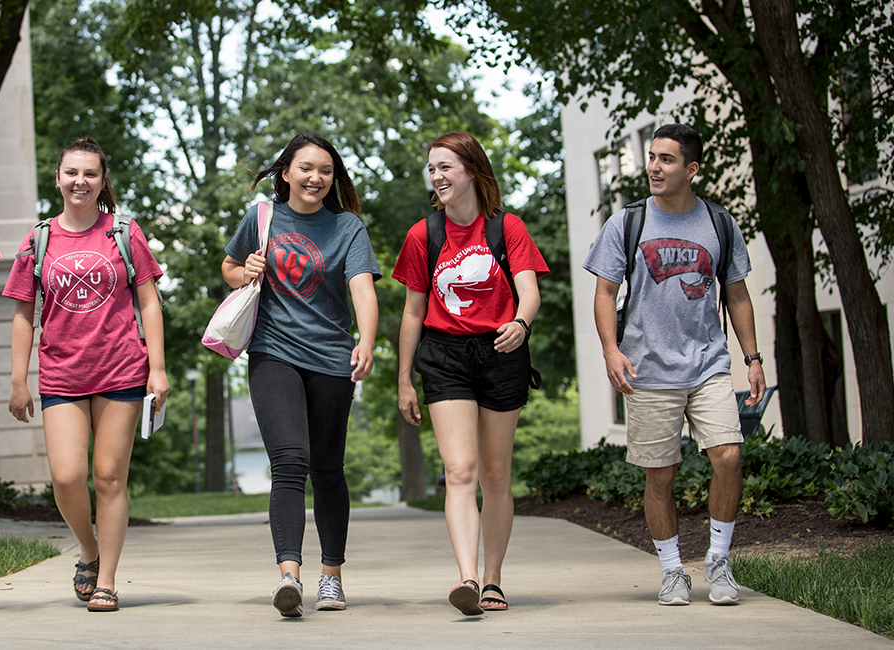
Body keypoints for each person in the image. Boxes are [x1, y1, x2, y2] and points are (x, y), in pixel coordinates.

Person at [583, 123, 766, 606]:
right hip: (648, 370)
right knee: (659, 475)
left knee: (728, 456)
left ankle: (720, 563)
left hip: (708, 364)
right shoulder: (627, 222)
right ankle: (671, 570)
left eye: (666, 159)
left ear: (692, 168)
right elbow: (605, 292)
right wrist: (610, 349)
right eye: (651, 158)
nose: (654, 167)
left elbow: (738, 293)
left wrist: (752, 357)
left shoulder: (720, 223)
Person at [3, 137, 169, 613]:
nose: (80, 181)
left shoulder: (123, 231)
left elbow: (148, 300)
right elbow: (21, 314)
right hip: (62, 375)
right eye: (71, 173)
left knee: (109, 476)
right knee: (68, 476)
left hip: (121, 369)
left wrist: (157, 368)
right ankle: (89, 550)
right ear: (57, 179)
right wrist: (18, 378)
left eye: (90, 174)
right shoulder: (39, 240)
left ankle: (108, 581)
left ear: (102, 182)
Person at [222, 134, 379, 617]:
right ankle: (289, 576)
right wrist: (244, 270)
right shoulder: (262, 217)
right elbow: (228, 268)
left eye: (326, 171)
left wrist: (367, 341)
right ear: (286, 172)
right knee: (290, 459)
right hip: (274, 351)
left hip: (331, 357)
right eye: (306, 168)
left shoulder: (347, 226)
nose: (316, 178)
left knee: (327, 468)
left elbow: (363, 289)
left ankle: (330, 577)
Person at [393, 131, 548, 615]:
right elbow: (413, 311)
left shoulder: (507, 228)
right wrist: (404, 379)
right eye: (432, 169)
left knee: (495, 474)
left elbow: (530, 291)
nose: (436, 176)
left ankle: (493, 580)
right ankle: (467, 578)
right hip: (444, 356)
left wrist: (521, 324)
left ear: (472, 171)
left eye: (446, 167)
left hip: (502, 351)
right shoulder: (424, 234)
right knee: (459, 470)